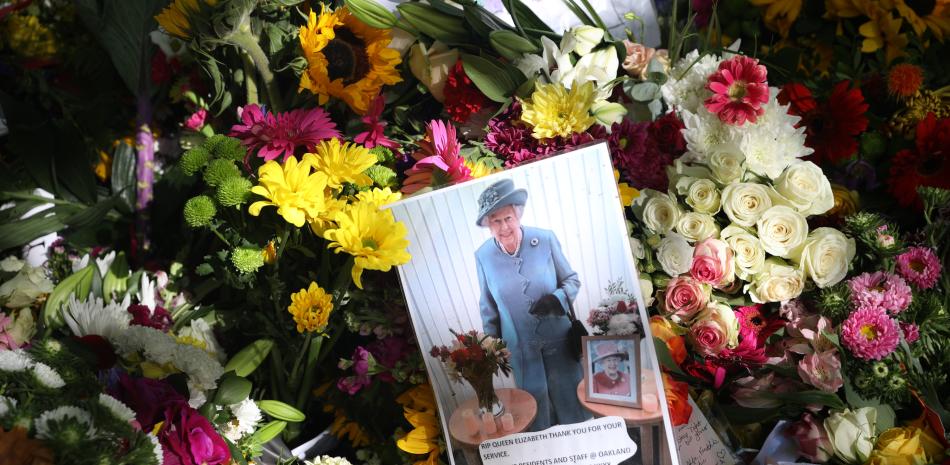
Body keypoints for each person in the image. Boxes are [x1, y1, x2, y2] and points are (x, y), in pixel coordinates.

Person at [474, 179, 589, 431]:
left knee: (573, 408)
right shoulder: (483, 256)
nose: (504, 226)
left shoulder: (545, 239)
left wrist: (556, 299)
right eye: (496, 220)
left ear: (518, 214)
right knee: (535, 414)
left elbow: (571, 280)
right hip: (521, 350)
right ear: (487, 225)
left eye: (508, 218)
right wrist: (492, 346)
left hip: (560, 342)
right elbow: (488, 305)